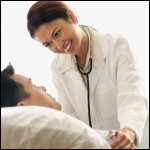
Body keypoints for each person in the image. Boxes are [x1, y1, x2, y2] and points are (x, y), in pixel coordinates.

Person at [27, 1, 148, 149]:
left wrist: (128, 133)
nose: (58, 46)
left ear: (71, 17)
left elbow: (131, 96)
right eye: (48, 44)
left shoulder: (116, 45)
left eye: (57, 33)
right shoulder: (58, 68)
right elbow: (71, 118)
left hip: (138, 141)